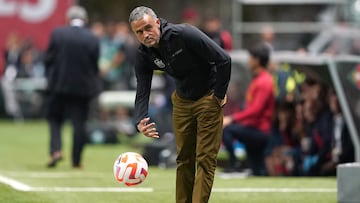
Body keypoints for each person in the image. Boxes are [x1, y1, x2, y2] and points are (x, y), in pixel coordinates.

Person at [128, 6, 231, 203]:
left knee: (205, 159)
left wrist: (218, 96)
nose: (145, 34)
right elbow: (142, 88)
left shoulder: (184, 34)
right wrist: (140, 119)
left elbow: (224, 60)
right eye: (139, 32)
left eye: (148, 27)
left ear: (157, 22)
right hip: (182, 101)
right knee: (183, 159)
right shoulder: (143, 54)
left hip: (208, 97)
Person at [44, 5, 101, 168]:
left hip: (59, 86)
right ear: (86, 20)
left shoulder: (58, 34)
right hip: (82, 89)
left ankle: (56, 151)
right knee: (79, 124)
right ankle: (76, 161)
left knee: (54, 119)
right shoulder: (92, 37)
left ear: (68, 19)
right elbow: (94, 66)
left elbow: (49, 60)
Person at [222, 42, 275, 176]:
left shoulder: (264, 81)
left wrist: (232, 119)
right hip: (252, 128)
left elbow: (256, 110)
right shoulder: (258, 80)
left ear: (257, 60)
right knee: (257, 170)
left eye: (250, 57)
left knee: (227, 130)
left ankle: (235, 165)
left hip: (259, 130)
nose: (248, 61)